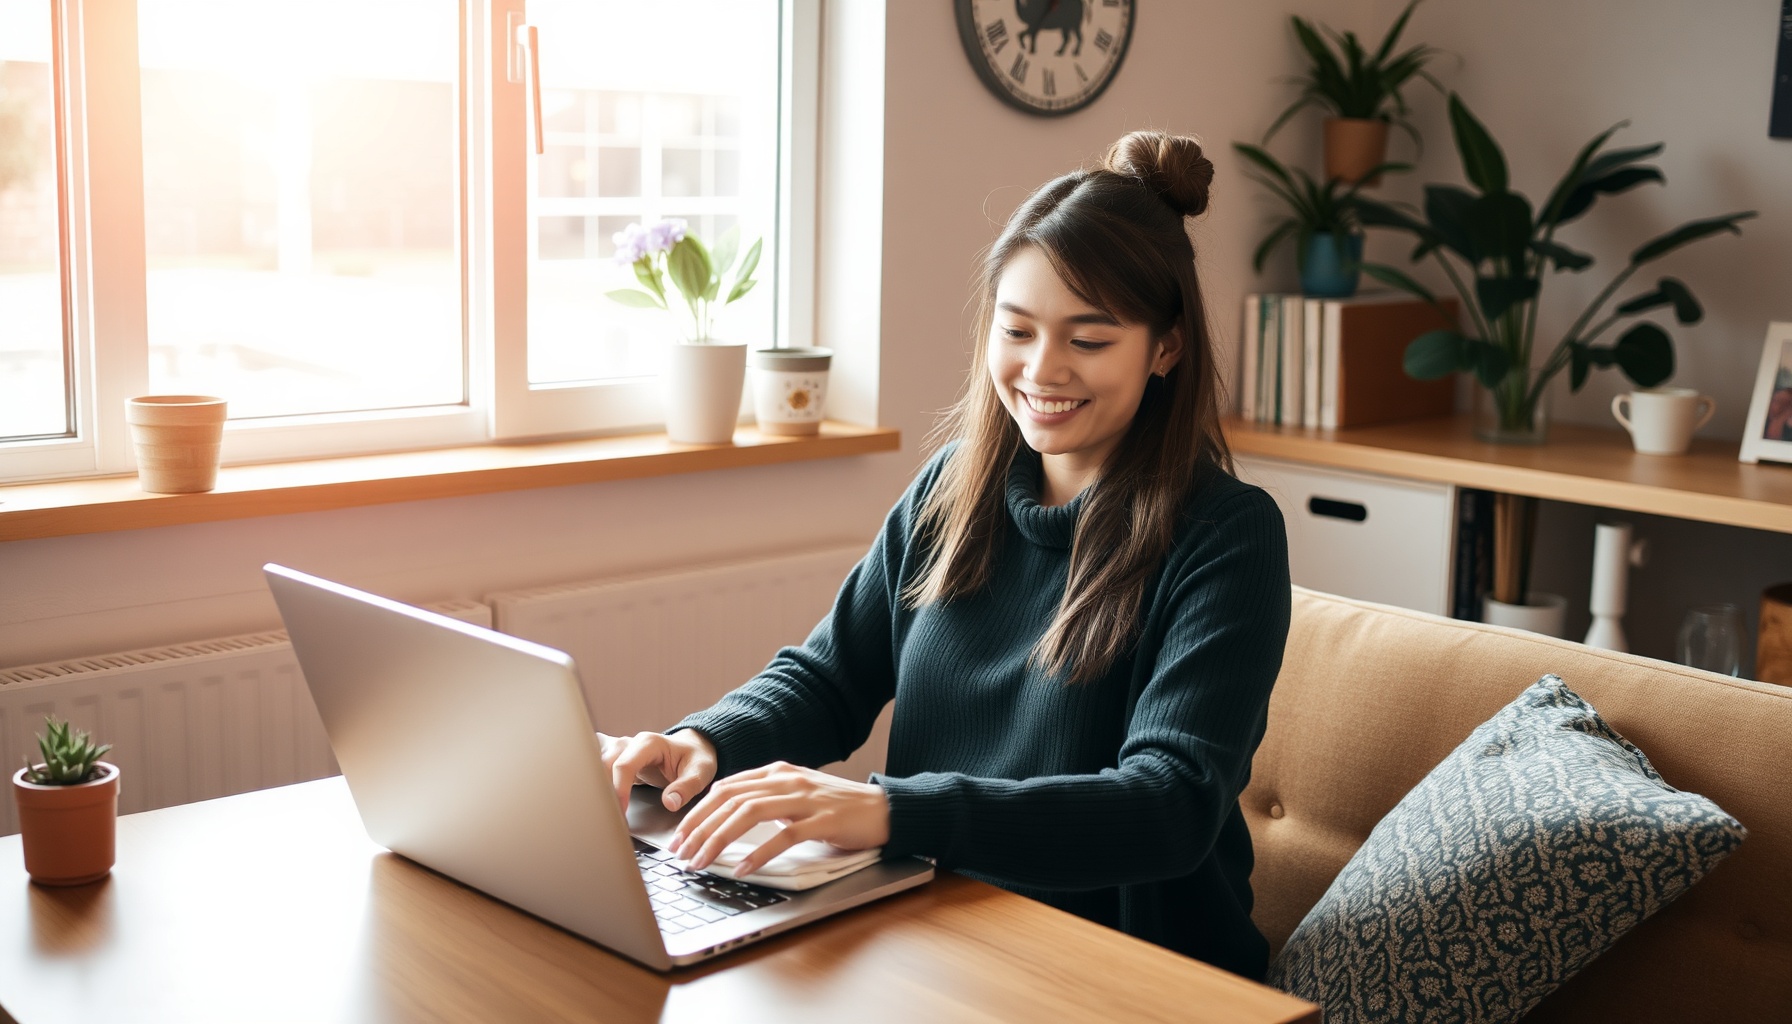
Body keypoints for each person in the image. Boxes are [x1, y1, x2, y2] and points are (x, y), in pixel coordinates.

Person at [602, 131, 1291, 980]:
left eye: (1089, 339)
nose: (1043, 370)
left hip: (1134, 973)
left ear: (1167, 346)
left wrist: (888, 811)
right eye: (1018, 330)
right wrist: (705, 743)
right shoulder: (955, 489)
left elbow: (1169, 805)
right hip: (941, 931)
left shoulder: (1227, 535)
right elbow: (831, 676)